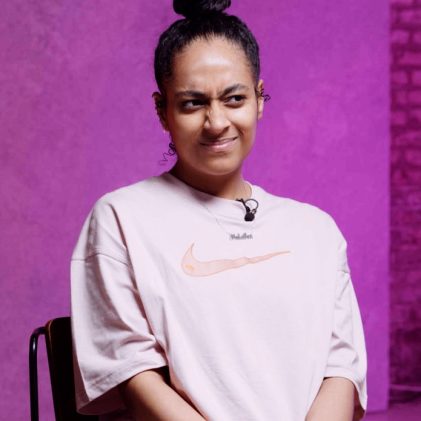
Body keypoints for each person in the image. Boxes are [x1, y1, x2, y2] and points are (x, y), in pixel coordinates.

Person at [70, 1, 368, 420]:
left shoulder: (316, 230)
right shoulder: (121, 218)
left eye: (234, 99)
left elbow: (340, 369)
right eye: (193, 103)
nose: (216, 122)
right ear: (162, 111)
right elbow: (132, 374)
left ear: (259, 99)